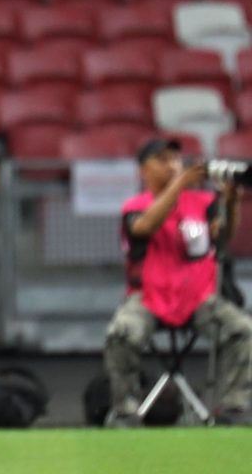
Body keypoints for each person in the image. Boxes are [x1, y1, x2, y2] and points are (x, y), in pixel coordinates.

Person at [104, 138, 252, 427]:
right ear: (143, 171)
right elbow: (144, 227)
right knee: (121, 333)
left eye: (175, 159)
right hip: (148, 296)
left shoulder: (203, 202)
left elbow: (223, 237)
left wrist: (231, 202)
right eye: (162, 160)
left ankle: (232, 407)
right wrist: (179, 184)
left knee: (243, 330)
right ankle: (125, 410)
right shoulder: (135, 206)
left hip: (197, 296)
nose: (172, 165)